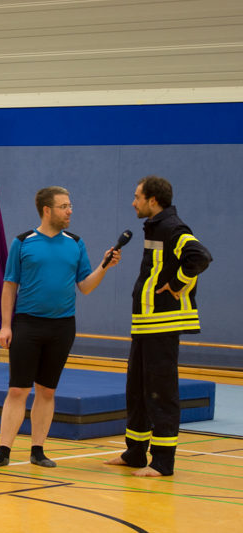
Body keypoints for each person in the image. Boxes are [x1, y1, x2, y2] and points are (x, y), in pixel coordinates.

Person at [0, 186, 120, 469]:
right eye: (64, 206)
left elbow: (85, 286)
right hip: (27, 325)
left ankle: (38, 450)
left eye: (70, 206)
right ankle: (3, 451)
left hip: (62, 328)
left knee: (47, 391)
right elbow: (9, 286)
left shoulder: (76, 243)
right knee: (18, 390)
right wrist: (6, 326)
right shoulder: (23, 242)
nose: (70, 211)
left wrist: (105, 267)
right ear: (47, 210)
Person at [105, 176, 211, 477]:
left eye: (137, 197)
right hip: (145, 324)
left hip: (162, 325)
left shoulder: (173, 228)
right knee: (137, 390)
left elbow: (200, 257)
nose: (133, 202)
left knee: (160, 392)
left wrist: (177, 284)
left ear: (153, 200)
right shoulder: (154, 227)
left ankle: (163, 461)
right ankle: (135, 452)